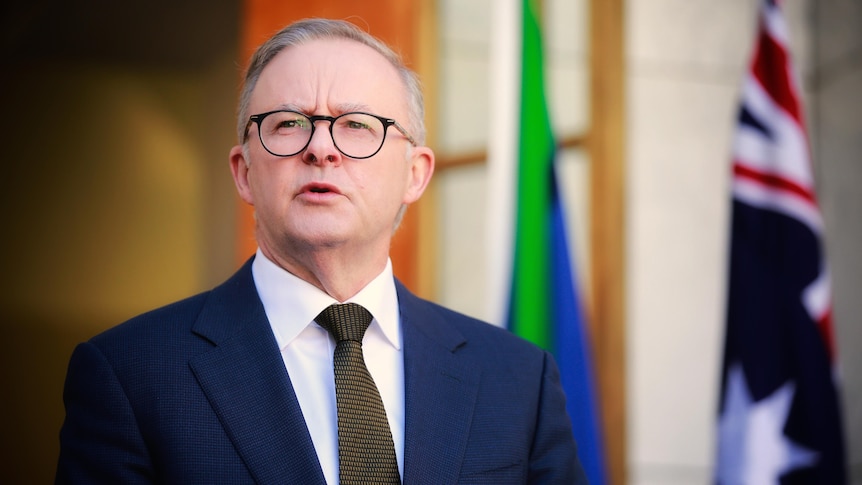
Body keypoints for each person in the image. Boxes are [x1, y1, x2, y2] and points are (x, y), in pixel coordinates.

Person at [55, 18, 588, 484]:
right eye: (289, 123)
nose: (321, 147)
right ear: (244, 173)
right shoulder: (128, 375)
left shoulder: (519, 380)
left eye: (357, 125)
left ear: (415, 173)